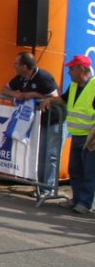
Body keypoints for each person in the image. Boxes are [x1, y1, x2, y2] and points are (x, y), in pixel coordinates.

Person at [1, 52, 64, 198]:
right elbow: (3, 89)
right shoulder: (21, 78)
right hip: (40, 121)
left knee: (51, 156)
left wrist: (35, 95)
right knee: (41, 155)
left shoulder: (44, 77)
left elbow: (56, 98)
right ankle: (41, 187)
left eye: (16, 64)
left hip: (54, 119)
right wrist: (15, 94)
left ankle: (48, 189)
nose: (14, 66)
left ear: (24, 66)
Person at [40, 55, 95, 214]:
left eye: (72, 69)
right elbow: (63, 99)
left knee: (89, 172)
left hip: (90, 136)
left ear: (81, 69)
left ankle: (84, 203)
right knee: (75, 170)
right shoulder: (74, 85)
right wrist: (50, 101)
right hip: (77, 134)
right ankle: (77, 200)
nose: (69, 72)